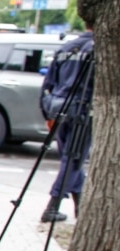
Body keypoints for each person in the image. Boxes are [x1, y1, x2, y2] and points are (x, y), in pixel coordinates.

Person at [38, 24, 94, 223]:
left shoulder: (67, 47)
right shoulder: (95, 49)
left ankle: (80, 207)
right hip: (82, 110)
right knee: (73, 161)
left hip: (58, 108)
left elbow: (48, 84)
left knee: (70, 160)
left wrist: (47, 114)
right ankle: (52, 206)